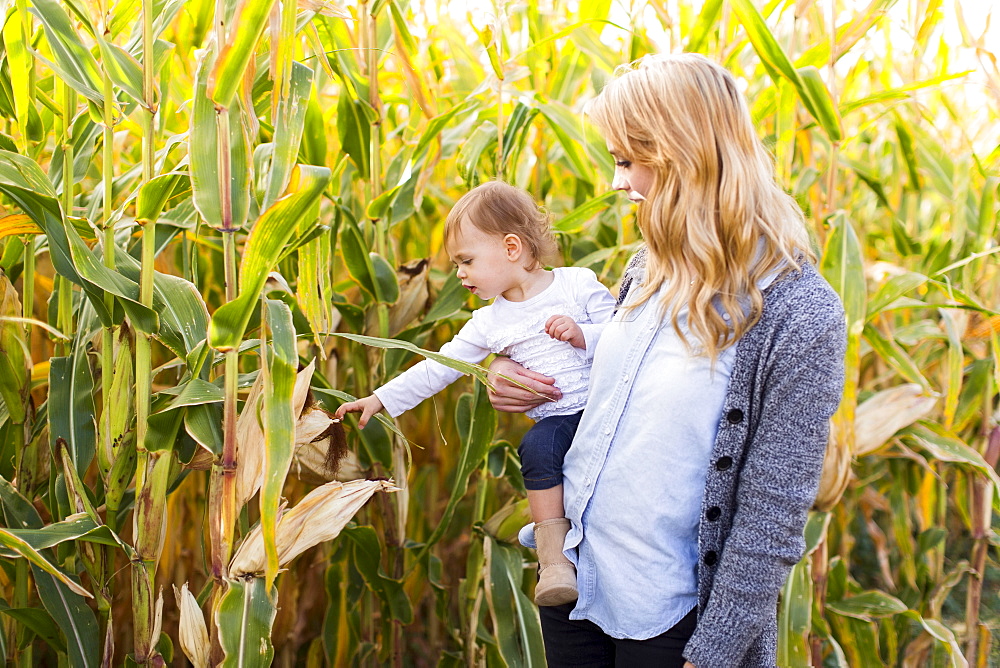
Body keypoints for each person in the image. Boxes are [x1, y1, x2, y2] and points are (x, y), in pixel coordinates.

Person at [489, 54, 846, 667]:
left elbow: (774, 511)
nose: (618, 181)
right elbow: (619, 408)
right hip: (580, 583)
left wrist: (712, 653)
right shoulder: (646, 269)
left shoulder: (800, 313)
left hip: (675, 620)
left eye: (629, 161)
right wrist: (520, 378)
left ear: (687, 155)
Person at [334, 180, 616, 607]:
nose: (459, 274)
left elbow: (623, 337)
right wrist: (381, 399)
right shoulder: (489, 322)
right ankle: (554, 561)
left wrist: (583, 335)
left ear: (511, 248)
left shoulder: (577, 285)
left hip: (606, 411)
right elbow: (439, 366)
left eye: (466, 261)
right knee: (536, 446)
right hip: (559, 421)